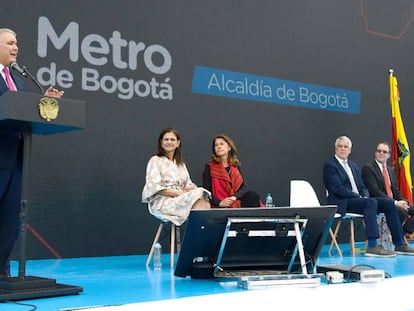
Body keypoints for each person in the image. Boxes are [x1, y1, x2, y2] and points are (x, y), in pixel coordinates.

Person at [0, 28, 64, 277]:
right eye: (10, 43)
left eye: (17, 43)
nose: (15, 47)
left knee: (9, 222)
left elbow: (24, 112)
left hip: (16, 159)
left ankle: (2, 274)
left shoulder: (20, 82)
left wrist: (44, 102)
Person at [323, 136, 414, 257]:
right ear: (336, 149)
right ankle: (372, 245)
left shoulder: (353, 165)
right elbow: (338, 189)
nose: (343, 149)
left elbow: (362, 187)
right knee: (370, 203)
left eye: (345, 147)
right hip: (342, 202)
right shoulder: (330, 165)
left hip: (358, 200)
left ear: (350, 150)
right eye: (340, 146)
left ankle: (399, 243)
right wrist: (359, 197)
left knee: (388, 203)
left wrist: (364, 196)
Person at [142, 127, 210, 226]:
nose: (169, 142)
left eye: (172, 139)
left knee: (202, 194)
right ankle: (199, 236)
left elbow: (188, 185)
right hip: (162, 202)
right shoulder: (155, 160)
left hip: (180, 198)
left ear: (178, 143)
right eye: (166, 139)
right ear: (161, 143)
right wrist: (179, 193)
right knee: (199, 198)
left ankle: (200, 233)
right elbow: (154, 188)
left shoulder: (180, 164)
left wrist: (190, 189)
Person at [361, 142, 414, 234]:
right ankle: (397, 237)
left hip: (394, 203)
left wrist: (403, 202)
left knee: (405, 208)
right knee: (402, 212)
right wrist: (395, 203)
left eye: (384, 152)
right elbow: (374, 191)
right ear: (375, 153)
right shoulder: (368, 168)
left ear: (389, 155)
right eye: (379, 151)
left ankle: (401, 233)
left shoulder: (390, 170)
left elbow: (396, 191)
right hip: (379, 203)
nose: (381, 153)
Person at [202, 134, 261, 208]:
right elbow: (206, 192)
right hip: (220, 202)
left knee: (252, 195)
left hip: (234, 200)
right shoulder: (209, 167)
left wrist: (234, 197)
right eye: (216, 145)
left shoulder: (235, 166)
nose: (219, 147)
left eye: (222, 144)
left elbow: (242, 187)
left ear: (229, 147)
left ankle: (251, 219)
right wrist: (220, 202)